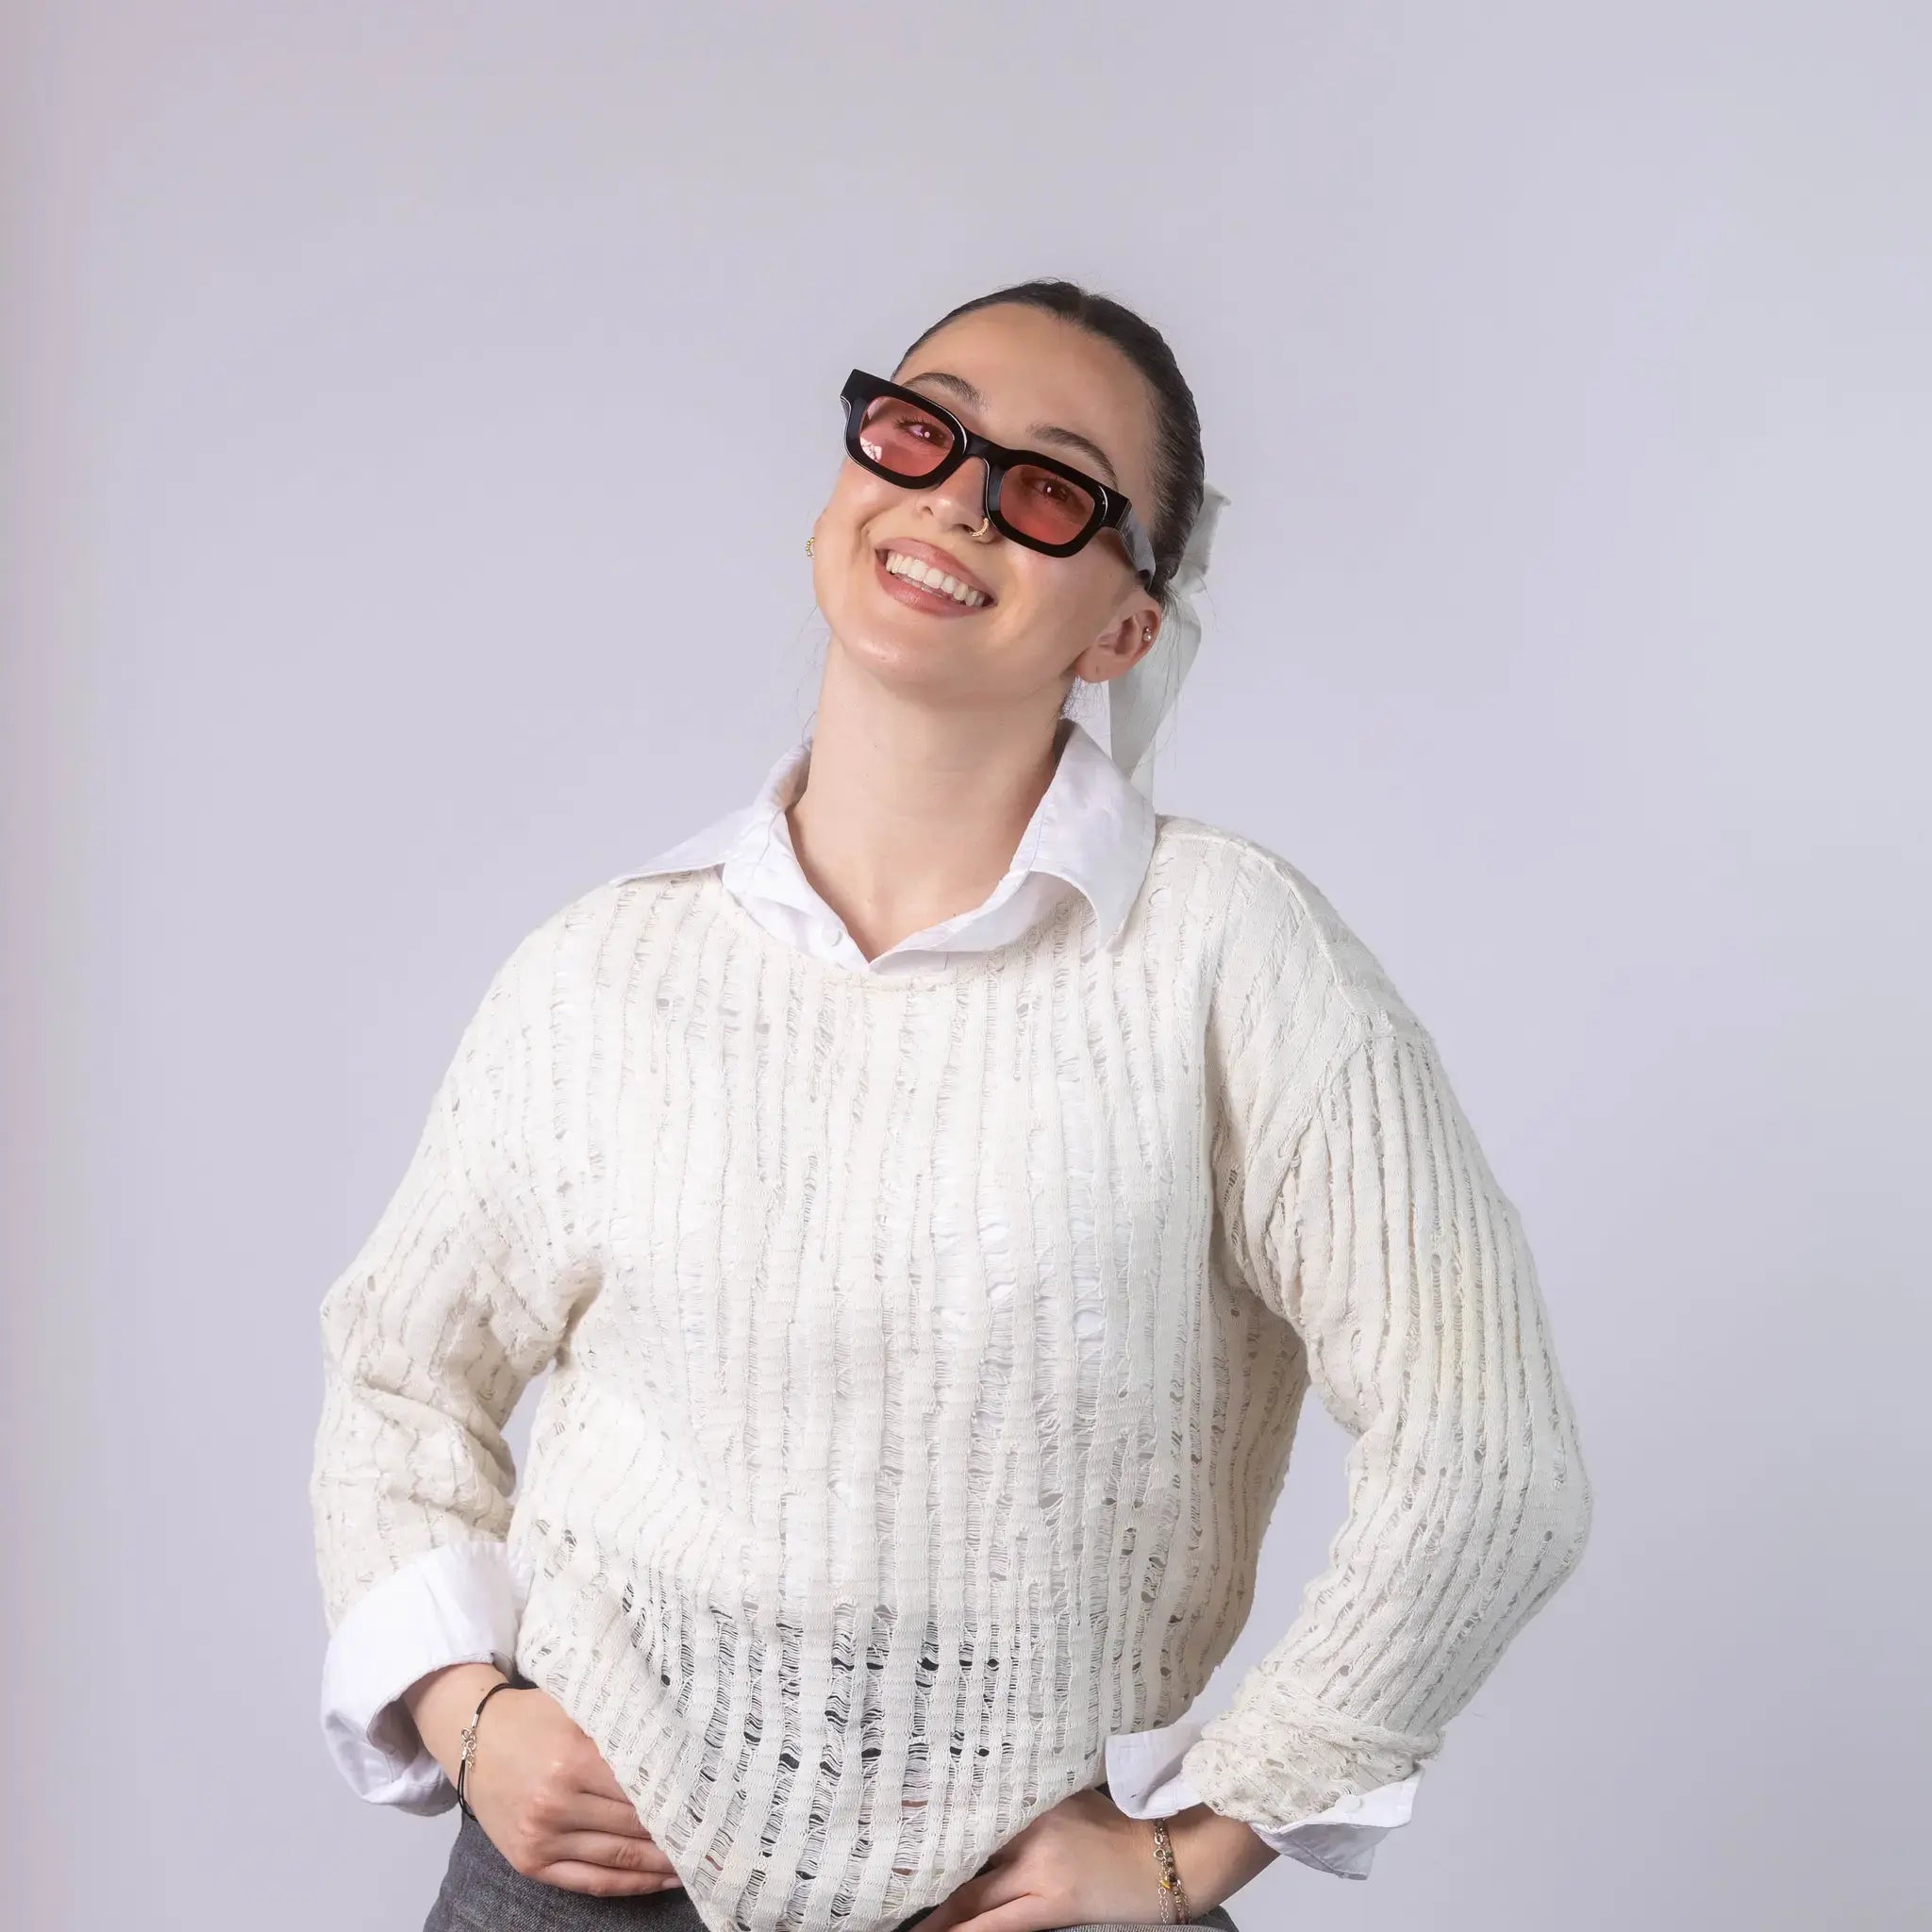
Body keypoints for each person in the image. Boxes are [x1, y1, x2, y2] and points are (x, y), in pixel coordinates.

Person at [309, 278, 1594, 1932]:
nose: (955, 498)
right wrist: (462, 1713)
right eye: (923, 428)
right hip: (586, 1886)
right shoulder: (598, 972)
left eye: (1048, 485)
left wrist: (1196, 1845)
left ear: (1127, 623)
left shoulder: (1224, 957)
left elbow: (1489, 1456)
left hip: (1017, 1908)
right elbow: (398, 1383)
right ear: (845, 487)